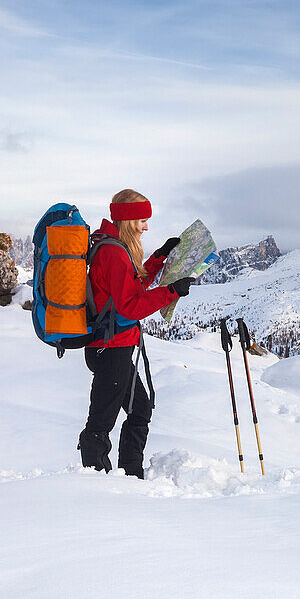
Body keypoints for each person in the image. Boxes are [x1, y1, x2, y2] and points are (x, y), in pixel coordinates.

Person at [77, 189, 195, 478]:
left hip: (115, 347)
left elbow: (133, 285)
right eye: (142, 220)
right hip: (111, 349)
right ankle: (96, 481)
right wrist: (170, 292)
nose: (146, 227)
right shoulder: (113, 253)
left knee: (140, 409)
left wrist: (160, 258)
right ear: (129, 221)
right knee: (100, 423)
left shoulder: (115, 248)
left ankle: (131, 475)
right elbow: (130, 307)